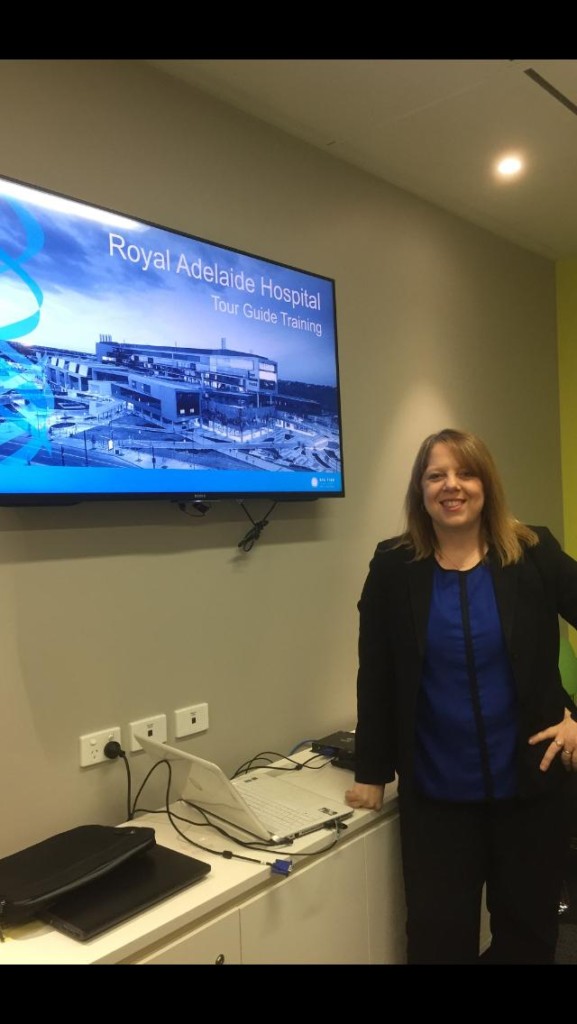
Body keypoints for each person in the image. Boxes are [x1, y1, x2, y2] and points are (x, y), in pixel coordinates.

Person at [345, 428, 577, 965]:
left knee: (528, 936)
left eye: (465, 473)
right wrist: (371, 771)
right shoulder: (393, 565)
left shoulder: (532, 551)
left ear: (485, 484)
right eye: (436, 475)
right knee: (436, 940)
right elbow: (376, 670)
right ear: (420, 490)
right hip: (437, 797)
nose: (452, 486)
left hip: (532, 787)